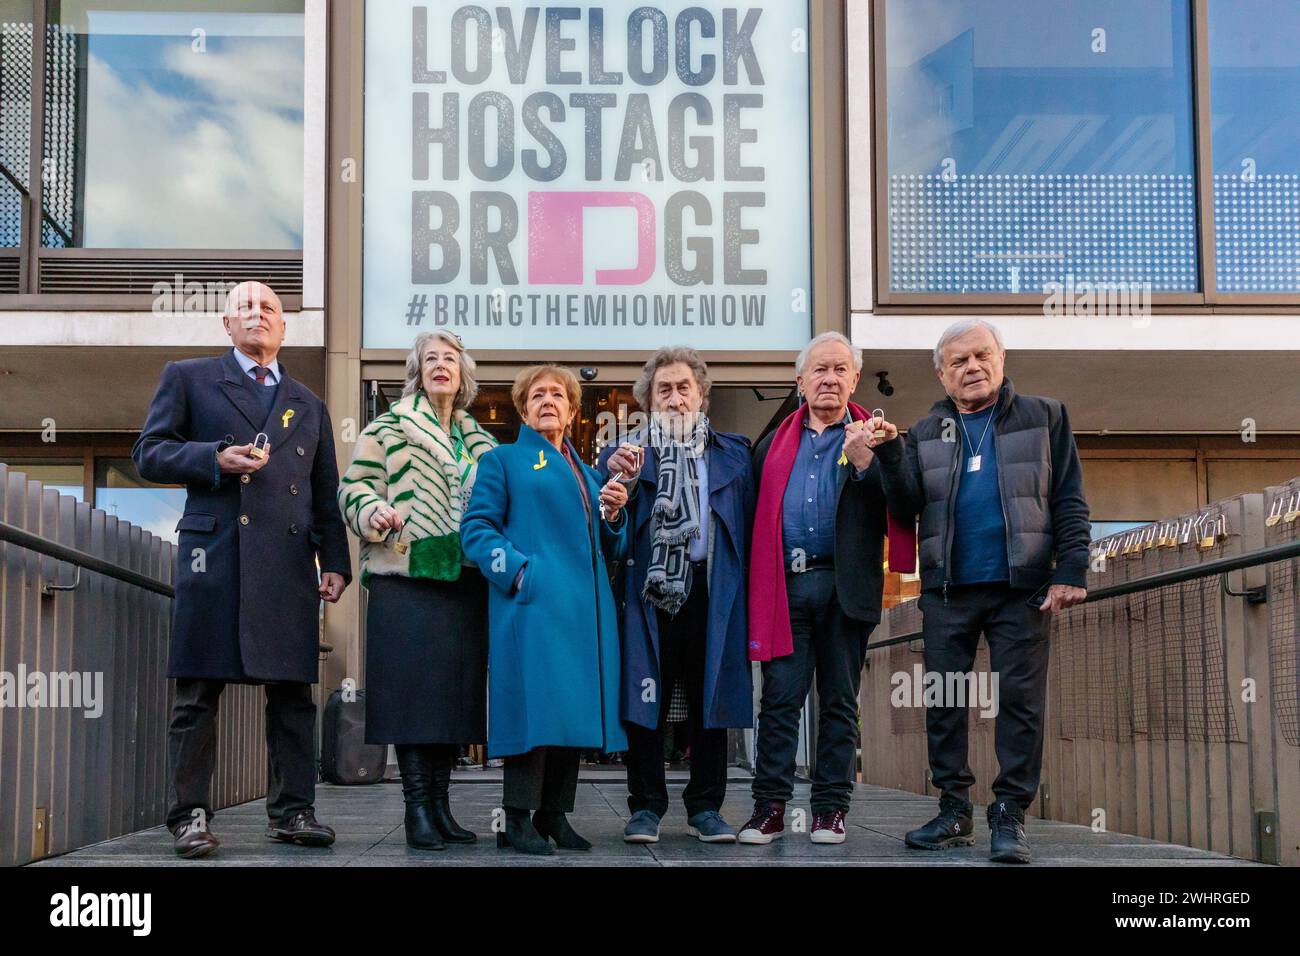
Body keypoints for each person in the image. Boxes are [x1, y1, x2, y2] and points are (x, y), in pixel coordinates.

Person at [133, 281, 351, 858]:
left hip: (286, 566)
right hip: (215, 559)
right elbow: (148, 452)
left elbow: (324, 494)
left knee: (292, 696)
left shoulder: (309, 403)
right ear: (227, 326)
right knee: (198, 693)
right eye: (245, 309)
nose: (258, 315)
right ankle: (190, 817)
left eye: (270, 310)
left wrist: (335, 563)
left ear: (284, 329)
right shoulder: (189, 377)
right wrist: (210, 459)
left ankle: (293, 812)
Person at [871, 318, 1090, 864]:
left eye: (980, 356)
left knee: (1021, 702)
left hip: (1025, 585)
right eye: (958, 362)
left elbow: (1068, 498)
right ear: (942, 374)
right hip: (948, 588)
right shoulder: (925, 432)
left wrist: (1073, 569)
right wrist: (892, 453)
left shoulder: (1045, 416)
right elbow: (903, 508)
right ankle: (952, 808)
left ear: (1000, 356)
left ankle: (1010, 813)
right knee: (945, 700)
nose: (971, 368)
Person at [739, 332, 915, 847]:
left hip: (846, 586)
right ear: (801, 382)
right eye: (820, 369)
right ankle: (769, 808)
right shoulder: (771, 445)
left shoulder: (877, 439)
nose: (830, 378)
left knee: (839, 702)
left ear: (855, 379)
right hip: (786, 589)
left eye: (841, 369)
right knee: (779, 701)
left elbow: (903, 504)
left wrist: (866, 464)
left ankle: (830, 811)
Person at [460, 364, 630, 855]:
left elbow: (610, 546)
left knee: (571, 714)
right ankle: (516, 820)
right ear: (523, 408)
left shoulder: (590, 473)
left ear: (573, 409)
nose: (548, 401)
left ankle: (554, 815)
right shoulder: (503, 460)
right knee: (533, 712)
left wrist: (614, 514)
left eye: (558, 394)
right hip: (532, 608)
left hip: (583, 614)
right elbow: (476, 530)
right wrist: (518, 572)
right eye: (537, 395)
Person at [337, 331, 496, 850]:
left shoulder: (481, 443)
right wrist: (371, 511)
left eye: (450, 358)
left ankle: (442, 807)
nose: (440, 365)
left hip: (464, 580)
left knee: (450, 700)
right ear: (418, 371)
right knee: (412, 698)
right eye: (430, 359)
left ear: (464, 374)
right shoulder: (387, 427)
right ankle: (416, 810)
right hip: (405, 578)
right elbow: (353, 486)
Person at [599, 346, 756, 845]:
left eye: (683, 387)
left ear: (702, 396)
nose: (673, 397)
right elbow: (611, 530)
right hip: (650, 594)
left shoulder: (735, 453)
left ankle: (706, 807)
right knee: (647, 701)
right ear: (648, 401)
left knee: (711, 699)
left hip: (712, 590)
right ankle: (646, 807)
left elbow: (751, 527)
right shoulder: (624, 455)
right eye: (662, 389)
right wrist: (615, 494)